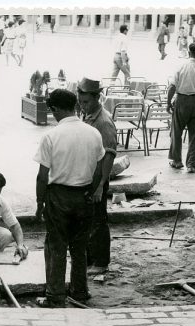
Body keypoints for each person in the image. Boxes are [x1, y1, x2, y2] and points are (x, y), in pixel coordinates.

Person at [34, 89, 105, 307]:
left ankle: (55, 296)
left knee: (56, 247)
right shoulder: (93, 133)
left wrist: (40, 203)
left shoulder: (51, 136)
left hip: (59, 197)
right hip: (84, 196)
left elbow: (42, 176)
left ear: (54, 109)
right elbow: (99, 169)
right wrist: (91, 191)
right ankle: (80, 291)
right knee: (79, 248)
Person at [77, 78, 117, 276]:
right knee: (88, 219)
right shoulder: (89, 116)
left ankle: (101, 262)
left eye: (86, 102)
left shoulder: (103, 121)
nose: (82, 106)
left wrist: (101, 184)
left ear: (96, 98)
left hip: (98, 178)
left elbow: (109, 154)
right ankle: (90, 258)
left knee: (98, 220)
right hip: (88, 175)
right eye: (80, 102)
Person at [166, 43, 195, 173]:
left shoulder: (182, 66)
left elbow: (172, 86)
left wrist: (168, 102)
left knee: (177, 131)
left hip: (183, 100)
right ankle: (192, 165)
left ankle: (177, 161)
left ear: (189, 52)